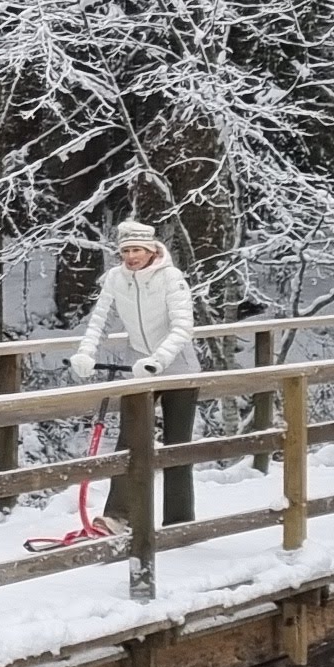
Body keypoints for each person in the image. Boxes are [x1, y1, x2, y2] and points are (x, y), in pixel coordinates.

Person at [69, 219, 200, 523]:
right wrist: (86, 352)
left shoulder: (171, 278)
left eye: (137, 250)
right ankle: (119, 516)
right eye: (126, 250)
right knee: (129, 442)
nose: (131, 256)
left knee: (176, 447)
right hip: (137, 368)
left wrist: (158, 360)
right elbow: (100, 319)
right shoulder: (116, 278)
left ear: (151, 250)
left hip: (177, 368)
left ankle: (178, 521)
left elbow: (183, 328)